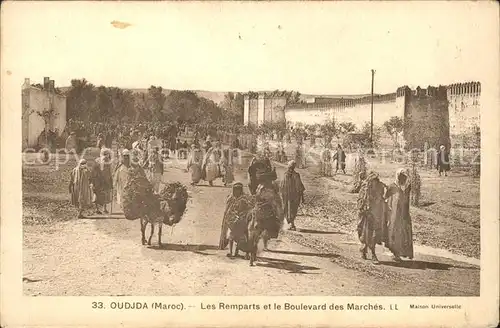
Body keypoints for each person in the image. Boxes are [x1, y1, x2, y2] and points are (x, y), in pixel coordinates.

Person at [356, 170, 386, 263]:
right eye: (373, 180)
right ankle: (368, 252)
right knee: (366, 234)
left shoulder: (380, 187)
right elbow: (361, 201)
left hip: (376, 214)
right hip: (366, 215)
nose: (375, 183)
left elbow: (382, 198)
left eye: (376, 180)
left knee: (374, 234)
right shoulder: (365, 188)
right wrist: (364, 209)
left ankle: (369, 251)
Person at [384, 168, 414, 262]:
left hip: (403, 214)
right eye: (401, 178)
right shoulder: (392, 187)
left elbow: (406, 201)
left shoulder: (405, 188)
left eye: (404, 178)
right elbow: (386, 199)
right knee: (394, 233)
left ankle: (400, 253)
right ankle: (395, 253)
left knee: (403, 233)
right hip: (393, 215)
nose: (403, 180)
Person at [280, 160, 305, 231]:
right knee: (292, 209)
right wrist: (302, 196)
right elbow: (299, 187)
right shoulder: (295, 175)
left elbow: (281, 186)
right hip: (292, 196)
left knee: (288, 209)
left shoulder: (286, 174)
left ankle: (290, 224)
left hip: (287, 195)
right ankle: (291, 224)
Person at [91, 148, 113, 214]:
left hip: (106, 181)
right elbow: (94, 172)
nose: (106, 156)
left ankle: (104, 208)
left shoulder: (108, 162)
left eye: (107, 154)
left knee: (105, 194)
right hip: (98, 181)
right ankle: (97, 209)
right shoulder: (97, 161)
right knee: (97, 194)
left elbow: (109, 172)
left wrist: (110, 180)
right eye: (105, 154)